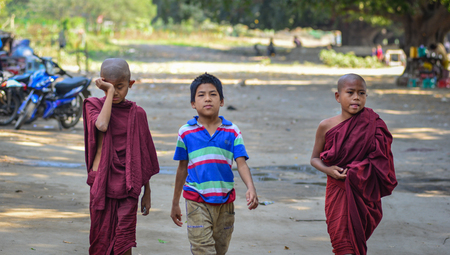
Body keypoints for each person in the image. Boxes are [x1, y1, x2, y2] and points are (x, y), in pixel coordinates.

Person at [170, 73, 258, 255]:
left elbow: (241, 163)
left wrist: (250, 187)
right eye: (201, 95)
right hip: (196, 200)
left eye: (213, 94)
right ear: (193, 103)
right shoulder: (185, 133)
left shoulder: (232, 131)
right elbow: (182, 169)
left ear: (222, 101)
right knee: (203, 249)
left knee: (220, 250)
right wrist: (175, 202)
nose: (207, 99)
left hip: (225, 202)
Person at [310, 74, 397, 255]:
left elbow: (382, 163)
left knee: (355, 241)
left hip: (362, 192)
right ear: (338, 96)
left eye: (361, 93)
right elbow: (314, 159)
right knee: (342, 244)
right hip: (337, 191)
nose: (356, 97)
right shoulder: (326, 126)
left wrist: (359, 171)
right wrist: (329, 170)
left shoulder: (374, 124)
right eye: (350, 92)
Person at [83, 58, 159, 255]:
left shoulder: (137, 113)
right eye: (110, 86)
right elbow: (102, 125)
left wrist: (147, 191)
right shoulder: (92, 105)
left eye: (120, 87)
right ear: (102, 83)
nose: (115, 92)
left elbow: (143, 157)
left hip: (128, 187)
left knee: (123, 241)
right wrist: (108, 93)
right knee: (100, 239)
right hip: (102, 183)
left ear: (130, 84)